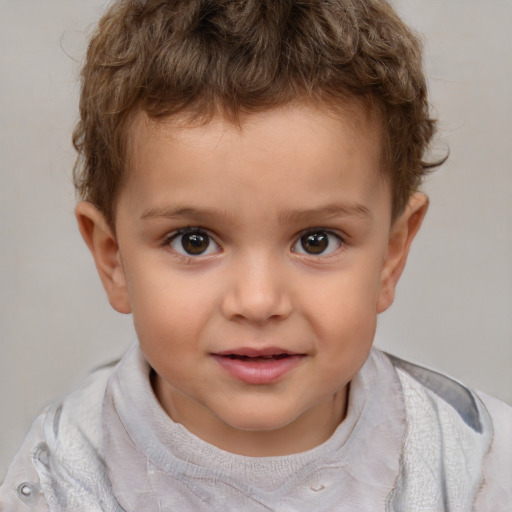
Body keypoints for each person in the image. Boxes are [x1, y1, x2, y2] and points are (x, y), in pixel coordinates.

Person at [1, 0, 510, 510]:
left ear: (390, 257)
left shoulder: (477, 467)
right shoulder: (59, 478)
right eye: (194, 241)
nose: (259, 301)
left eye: (317, 240)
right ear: (113, 259)